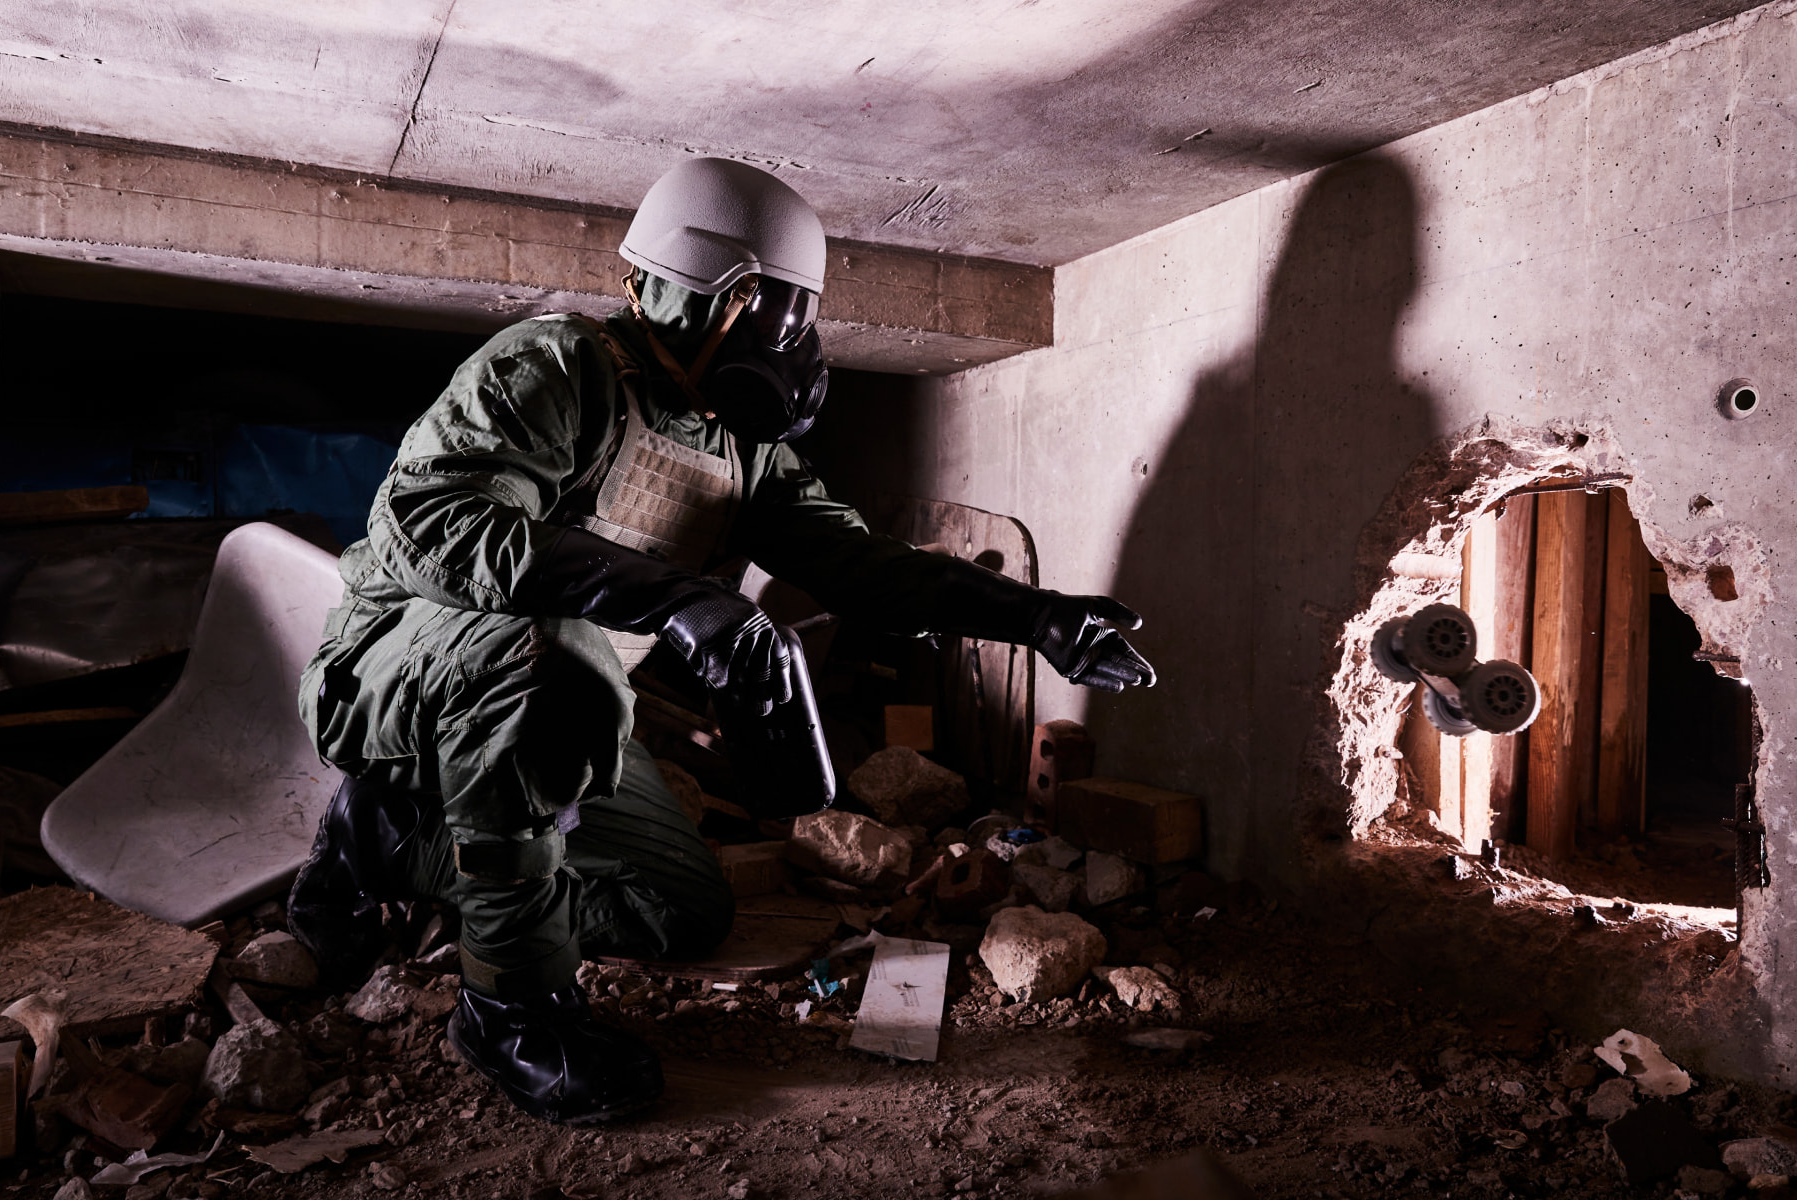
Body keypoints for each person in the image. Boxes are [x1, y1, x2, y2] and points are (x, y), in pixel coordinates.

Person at [288, 158, 1155, 1126]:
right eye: (784, 306)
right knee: (546, 648)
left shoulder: (741, 448)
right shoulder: (553, 369)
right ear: (721, 293)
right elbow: (433, 523)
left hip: (559, 706)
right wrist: (673, 598)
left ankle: (391, 840)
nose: (794, 334)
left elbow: (856, 561)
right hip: (398, 678)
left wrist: (1032, 617)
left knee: (678, 914)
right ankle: (511, 1011)